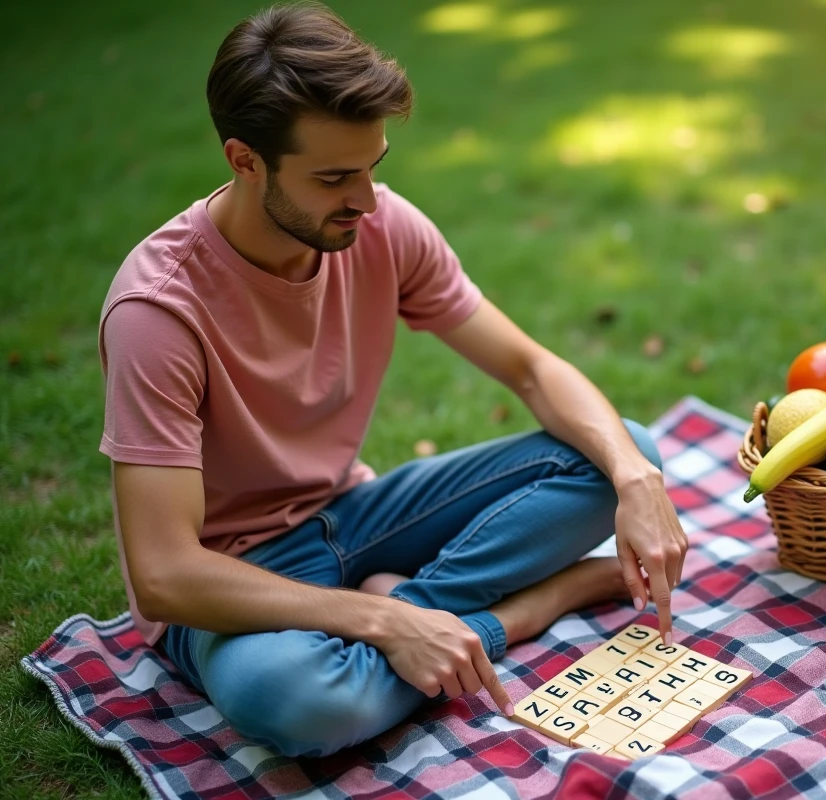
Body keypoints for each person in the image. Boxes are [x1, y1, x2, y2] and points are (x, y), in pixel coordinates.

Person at [97, 1, 688, 758]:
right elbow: (166, 575)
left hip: (356, 517)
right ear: (245, 160)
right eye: (334, 178)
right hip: (231, 581)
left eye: (374, 167)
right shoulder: (158, 311)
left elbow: (531, 368)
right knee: (297, 701)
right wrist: (382, 621)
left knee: (621, 451)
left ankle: (409, 616)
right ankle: (531, 605)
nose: (367, 202)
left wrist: (635, 479)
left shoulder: (379, 227)